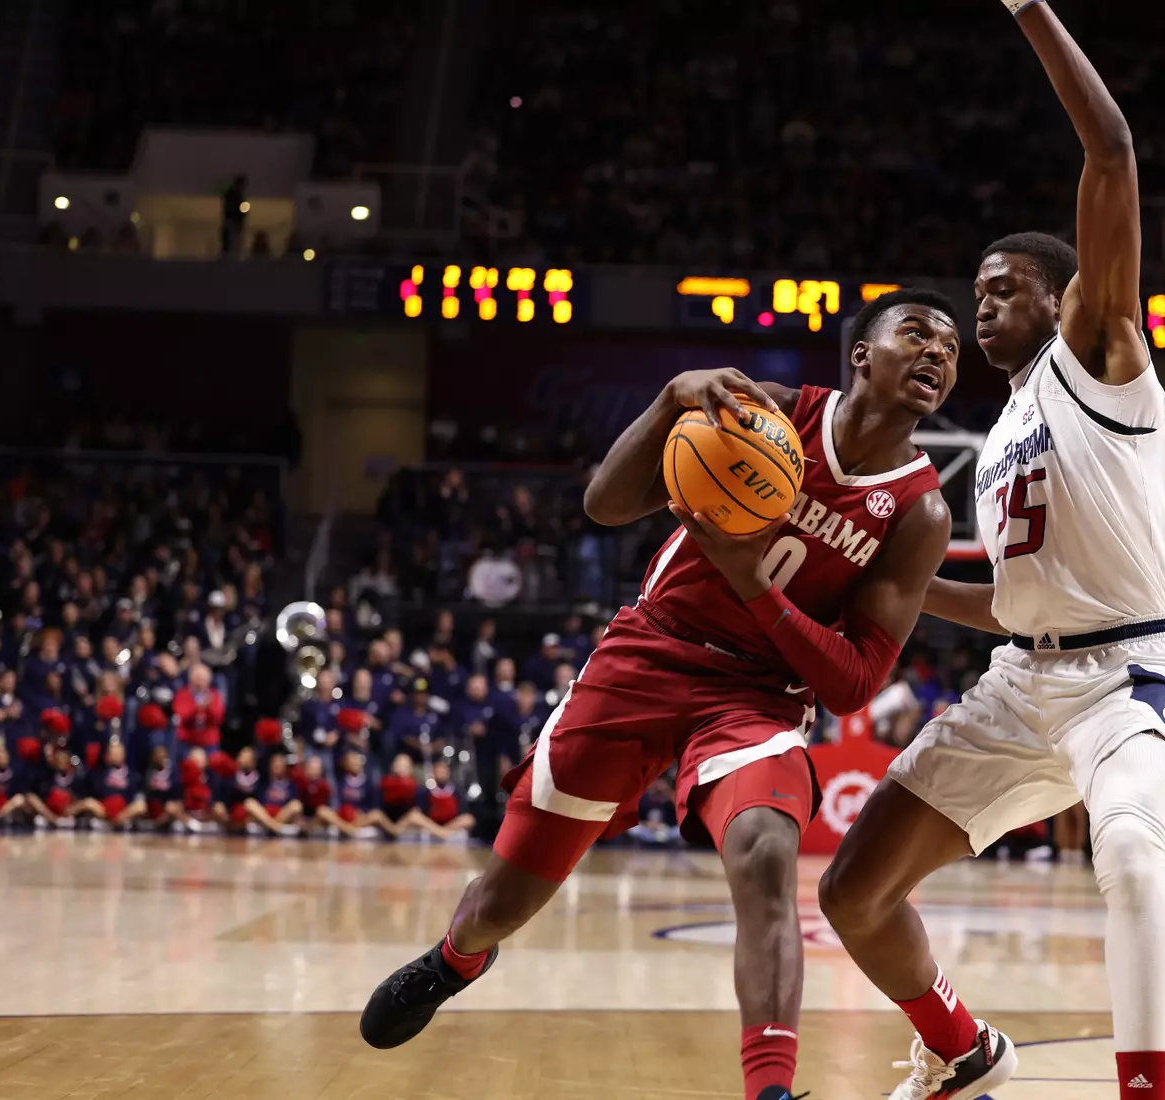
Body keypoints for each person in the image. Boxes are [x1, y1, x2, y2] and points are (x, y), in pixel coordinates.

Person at [359, 285, 961, 1100]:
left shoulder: (919, 514)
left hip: (757, 695)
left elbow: (852, 683)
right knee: (504, 901)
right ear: (862, 354)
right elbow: (605, 504)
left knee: (767, 851)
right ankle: (456, 957)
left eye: (951, 348)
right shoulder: (768, 414)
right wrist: (671, 396)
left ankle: (771, 1090)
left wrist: (757, 588)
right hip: (647, 656)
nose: (937, 352)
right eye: (917, 333)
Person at [816, 6, 1165, 1097]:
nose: (980, 309)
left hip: (1128, 675)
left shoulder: (1101, 353)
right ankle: (964, 1049)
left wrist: (1030, 8)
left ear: (1062, 293)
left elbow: (1111, 148)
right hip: (1021, 680)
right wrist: (889, 583)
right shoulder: (1001, 438)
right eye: (974, 295)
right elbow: (1015, 602)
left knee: (1125, 848)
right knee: (854, 890)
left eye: (1000, 291)